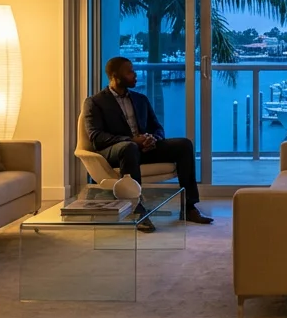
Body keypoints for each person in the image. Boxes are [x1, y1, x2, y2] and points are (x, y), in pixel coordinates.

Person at [84, 56, 213, 226]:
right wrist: (132, 140)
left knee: (184, 145)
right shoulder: (95, 102)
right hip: (118, 151)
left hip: (143, 149)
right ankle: (137, 211)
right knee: (129, 147)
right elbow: (96, 137)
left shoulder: (140, 99)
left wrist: (153, 138)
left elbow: (157, 127)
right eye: (130, 72)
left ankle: (189, 208)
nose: (135, 75)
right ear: (115, 76)